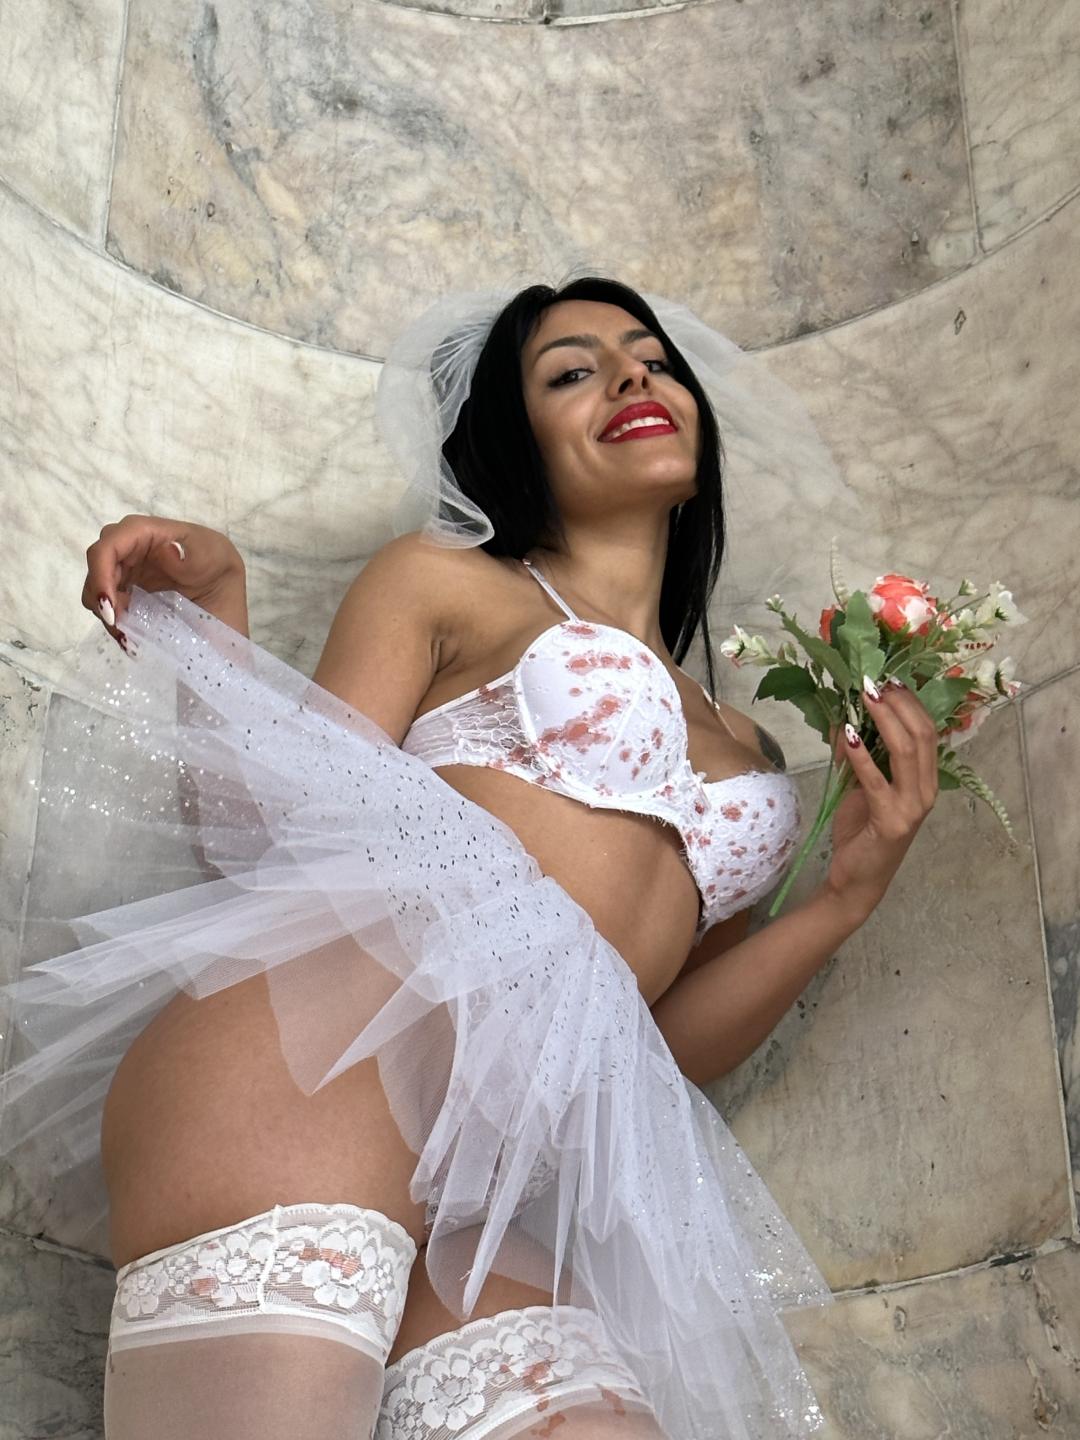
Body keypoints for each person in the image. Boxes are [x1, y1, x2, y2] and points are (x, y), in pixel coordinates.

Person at [1, 276, 940, 1440]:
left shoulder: (748, 742)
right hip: (312, 1076)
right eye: (573, 371)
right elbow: (272, 848)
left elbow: (646, 1052)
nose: (632, 376)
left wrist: (844, 895)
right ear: (512, 434)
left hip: (486, 1201)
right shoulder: (445, 582)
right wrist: (217, 616)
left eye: (651, 359)